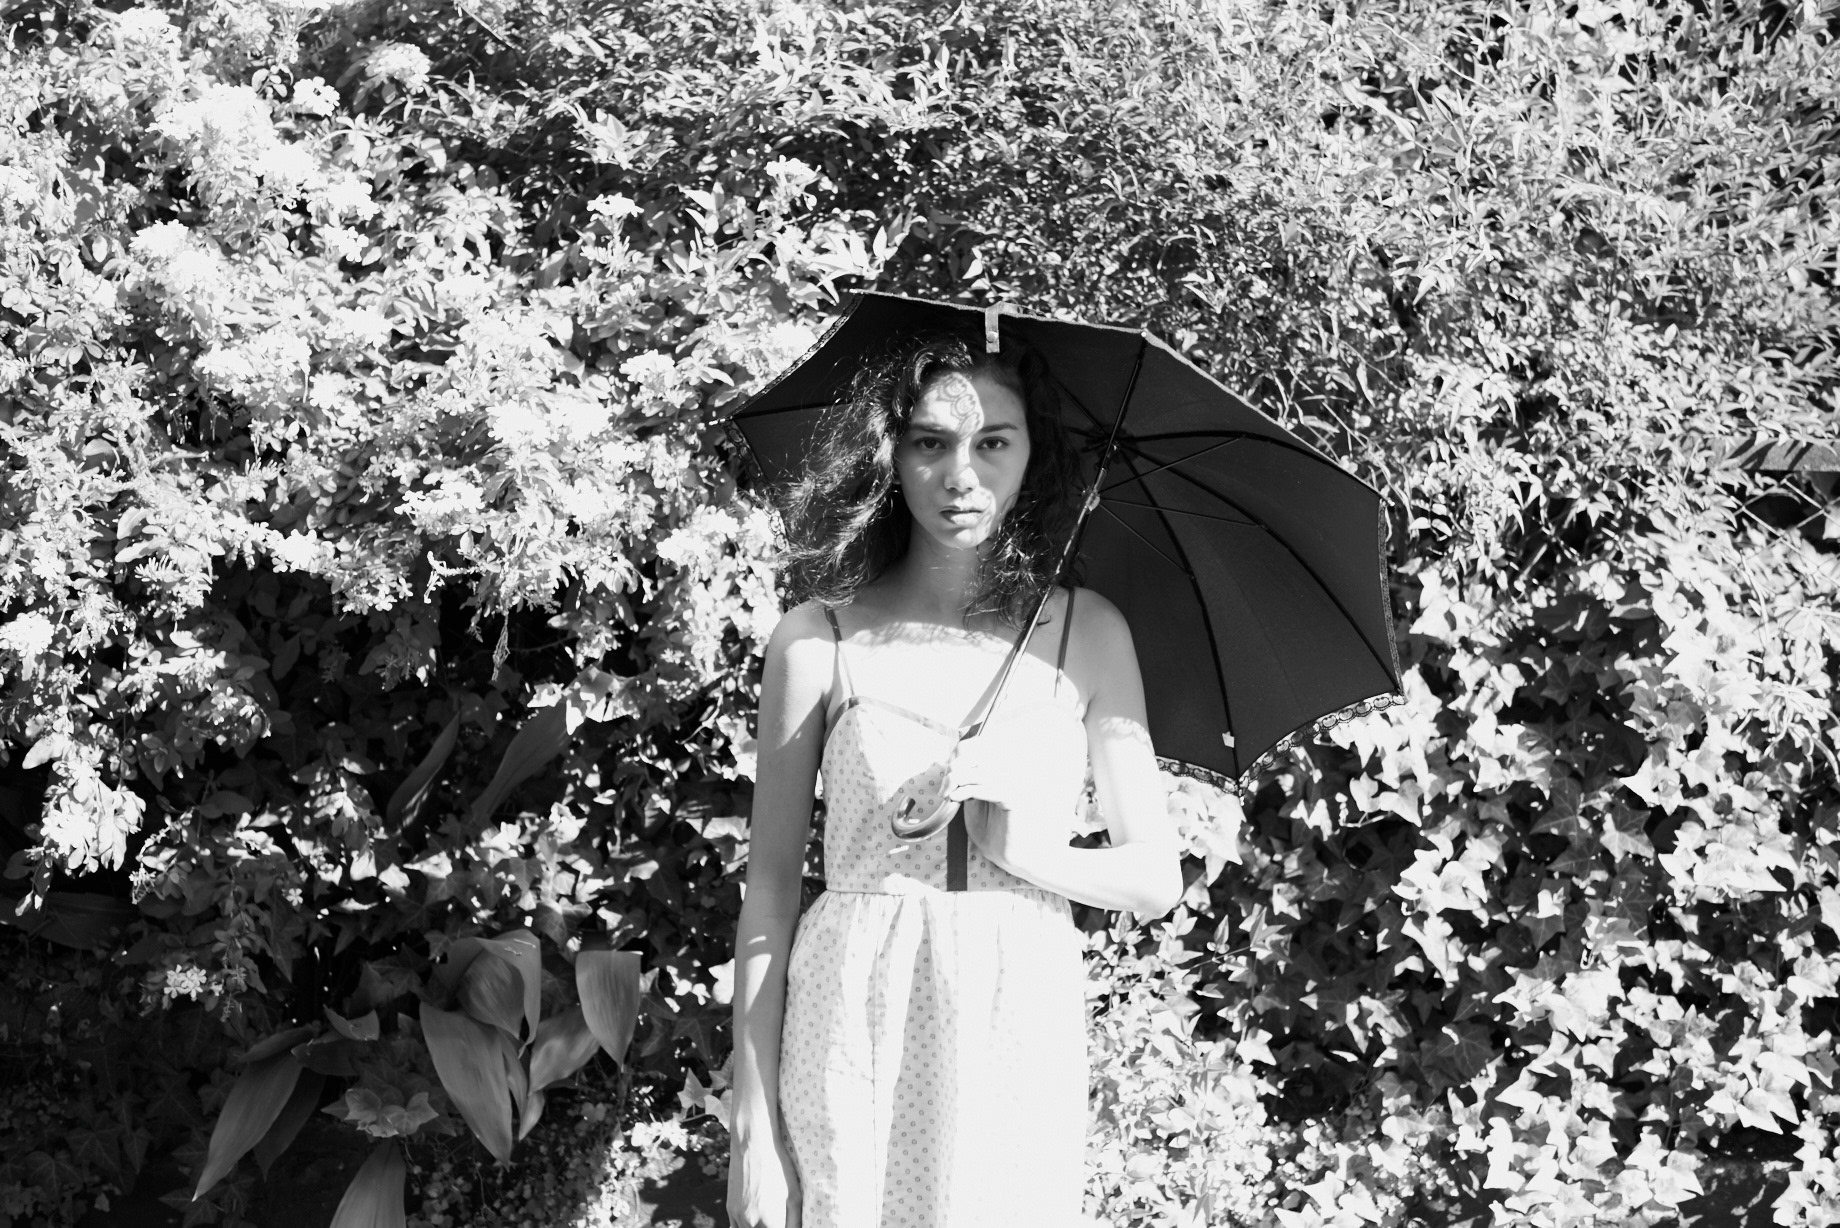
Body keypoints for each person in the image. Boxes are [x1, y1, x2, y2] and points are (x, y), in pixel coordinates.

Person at [727, 332, 1184, 1228]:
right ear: (890, 454)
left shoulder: (1088, 633)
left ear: (1033, 453)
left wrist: (1031, 852)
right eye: (930, 442)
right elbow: (771, 891)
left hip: (1017, 1027)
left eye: (993, 442)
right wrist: (751, 1125)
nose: (960, 475)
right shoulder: (817, 640)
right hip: (850, 1021)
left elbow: (1154, 875)